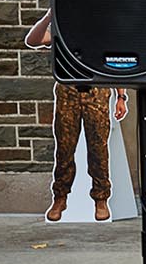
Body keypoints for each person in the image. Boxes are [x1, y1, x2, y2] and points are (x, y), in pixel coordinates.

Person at [28, 11, 128, 223]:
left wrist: (121, 96)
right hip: (68, 90)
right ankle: (60, 197)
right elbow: (33, 40)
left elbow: (116, 63)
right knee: (64, 148)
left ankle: (101, 199)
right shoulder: (63, 28)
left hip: (98, 90)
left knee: (98, 148)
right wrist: (49, 17)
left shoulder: (104, 29)